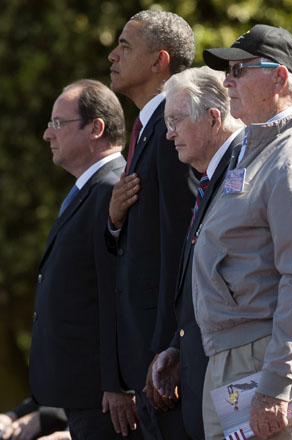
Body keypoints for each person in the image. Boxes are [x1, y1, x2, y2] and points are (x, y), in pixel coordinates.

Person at [195, 24, 292, 439]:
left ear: (280, 77)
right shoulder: (258, 146)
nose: (227, 80)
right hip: (247, 353)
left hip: (271, 357)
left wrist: (277, 382)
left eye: (239, 70)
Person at [119, 66, 242, 439]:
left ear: (213, 118)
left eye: (175, 121)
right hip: (203, 365)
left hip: (243, 370)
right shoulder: (211, 176)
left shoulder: (247, 169)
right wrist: (175, 345)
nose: (168, 133)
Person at [104, 10, 197, 439]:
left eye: (125, 46)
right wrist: (115, 222)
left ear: (160, 61)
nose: (112, 55)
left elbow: (180, 245)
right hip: (142, 352)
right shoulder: (147, 129)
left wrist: (167, 346)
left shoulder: (170, 128)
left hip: (159, 357)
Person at [30, 79, 133, 438]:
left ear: (96, 128)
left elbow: (117, 292)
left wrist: (117, 383)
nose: (47, 134)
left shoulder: (111, 187)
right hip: (84, 392)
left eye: (58, 123)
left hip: (103, 397)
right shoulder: (89, 188)